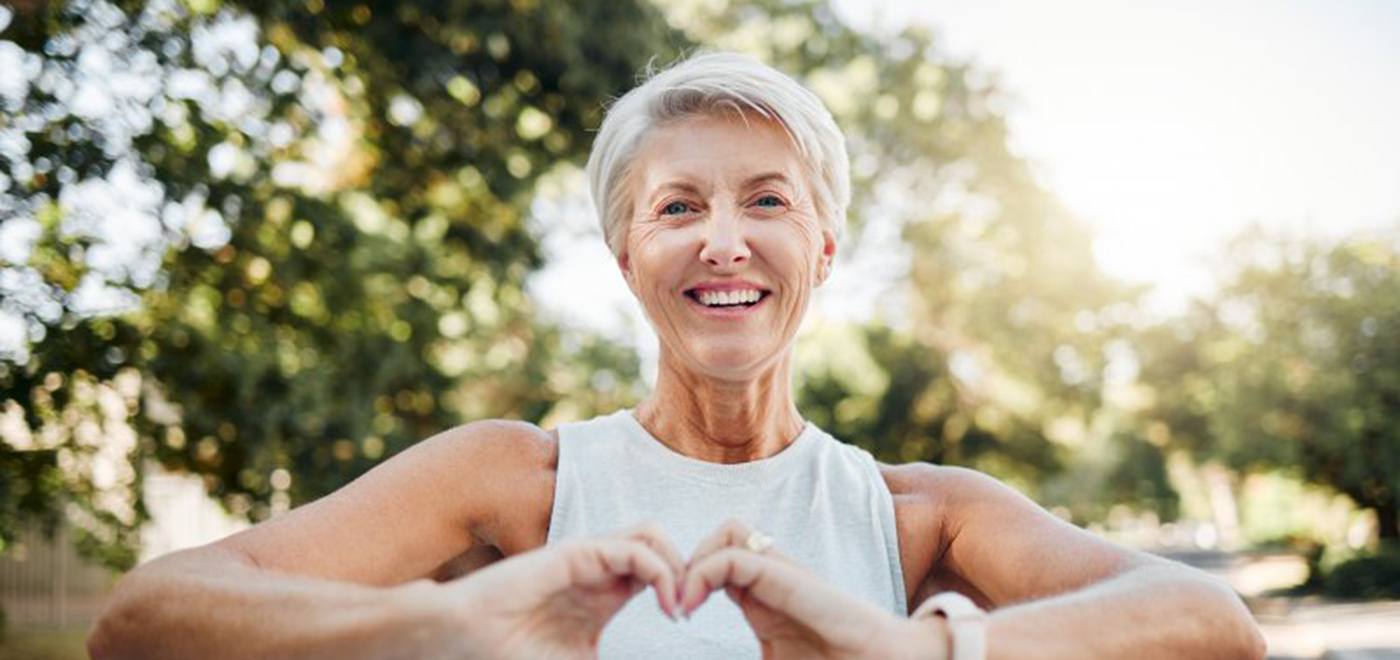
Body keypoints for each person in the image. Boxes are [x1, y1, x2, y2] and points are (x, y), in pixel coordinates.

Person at [87, 51, 1266, 659]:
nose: (722, 238)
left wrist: (911, 651)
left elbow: (1208, 627)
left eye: (765, 199)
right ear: (624, 256)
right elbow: (143, 622)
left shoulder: (918, 516)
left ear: (820, 245)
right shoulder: (514, 481)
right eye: (674, 207)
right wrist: (441, 633)